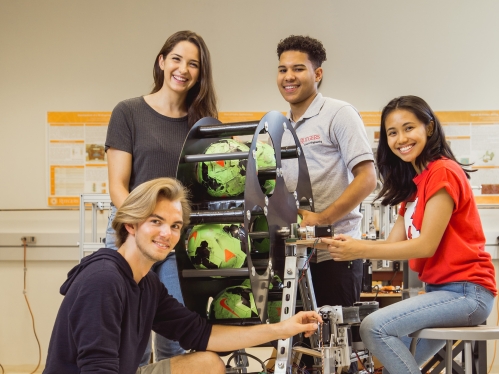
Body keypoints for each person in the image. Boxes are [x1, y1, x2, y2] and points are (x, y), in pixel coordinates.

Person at [44, 177, 321, 374]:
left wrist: (282, 329)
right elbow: (97, 367)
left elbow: (201, 334)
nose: (167, 234)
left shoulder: (146, 284)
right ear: (130, 224)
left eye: (175, 225)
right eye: (156, 221)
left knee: (207, 364)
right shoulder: (103, 280)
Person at [322, 95, 497, 374]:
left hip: (467, 293)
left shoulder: (443, 172)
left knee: (374, 328)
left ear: (428, 128)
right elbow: (392, 245)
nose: (401, 138)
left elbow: (425, 246)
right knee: (392, 360)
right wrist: (344, 243)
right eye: (392, 133)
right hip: (441, 292)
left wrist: (359, 249)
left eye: (408, 128)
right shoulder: (415, 188)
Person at [104, 30, 217, 364]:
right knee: (129, 341)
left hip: (177, 245)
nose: (183, 69)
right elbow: (117, 186)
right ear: (162, 62)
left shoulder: (204, 125)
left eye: (193, 64)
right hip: (132, 237)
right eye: (177, 59)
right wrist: (144, 228)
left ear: (200, 73)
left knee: (175, 339)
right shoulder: (128, 112)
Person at [275, 35, 377, 372]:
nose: (289, 76)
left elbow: (366, 178)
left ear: (317, 74)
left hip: (335, 254)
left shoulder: (338, 114)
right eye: (283, 69)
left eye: (298, 68)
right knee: (300, 353)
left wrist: (321, 217)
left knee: (334, 355)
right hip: (294, 257)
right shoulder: (279, 127)